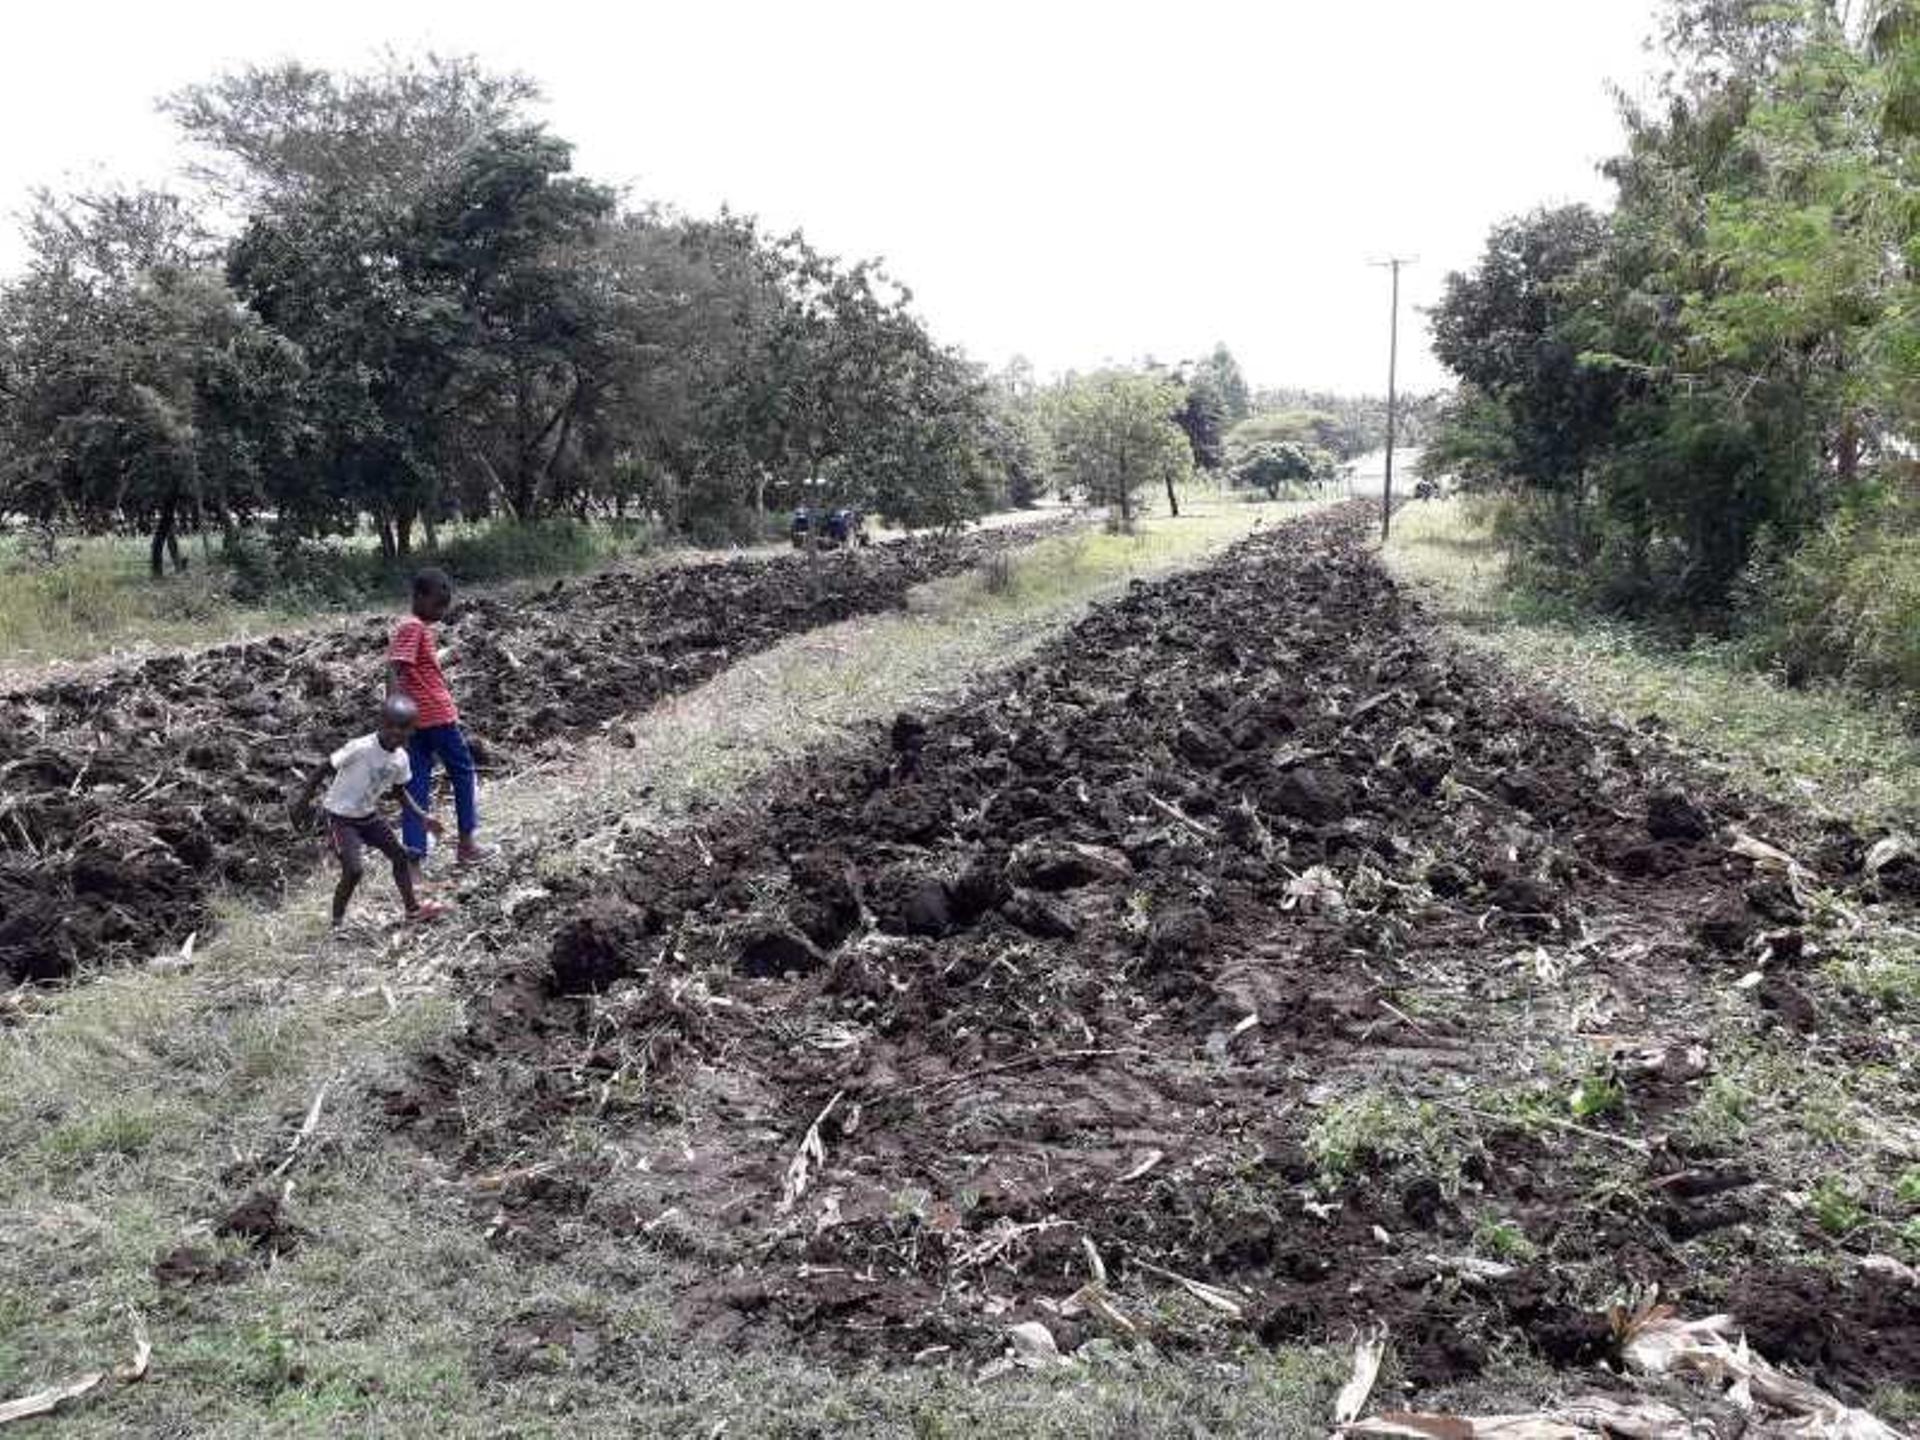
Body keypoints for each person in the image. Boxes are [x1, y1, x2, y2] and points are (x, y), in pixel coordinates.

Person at [294, 694, 448, 927]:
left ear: (411, 731)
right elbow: (323, 768)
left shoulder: (401, 758)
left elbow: (399, 792)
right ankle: (337, 923)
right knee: (354, 871)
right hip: (339, 818)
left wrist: (422, 816)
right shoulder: (360, 747)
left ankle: (413, 910)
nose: (397, 733)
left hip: (368, 817)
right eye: (392, 727)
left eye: (403, 729)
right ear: (381, 724)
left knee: (400, 856)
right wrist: (302, 803)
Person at [388, 568, 489, 871]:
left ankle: (414, 863)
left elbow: (408, 668)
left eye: (445, 607)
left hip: (417, 722)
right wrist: (393, 709)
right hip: (436, 716)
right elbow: (393, 668)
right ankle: (467, 845)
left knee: (416, 784)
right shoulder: (413, 626)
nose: (441, 612)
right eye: (437, 605)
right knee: (463, 772)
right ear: (418, 597)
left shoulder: (416, 627)